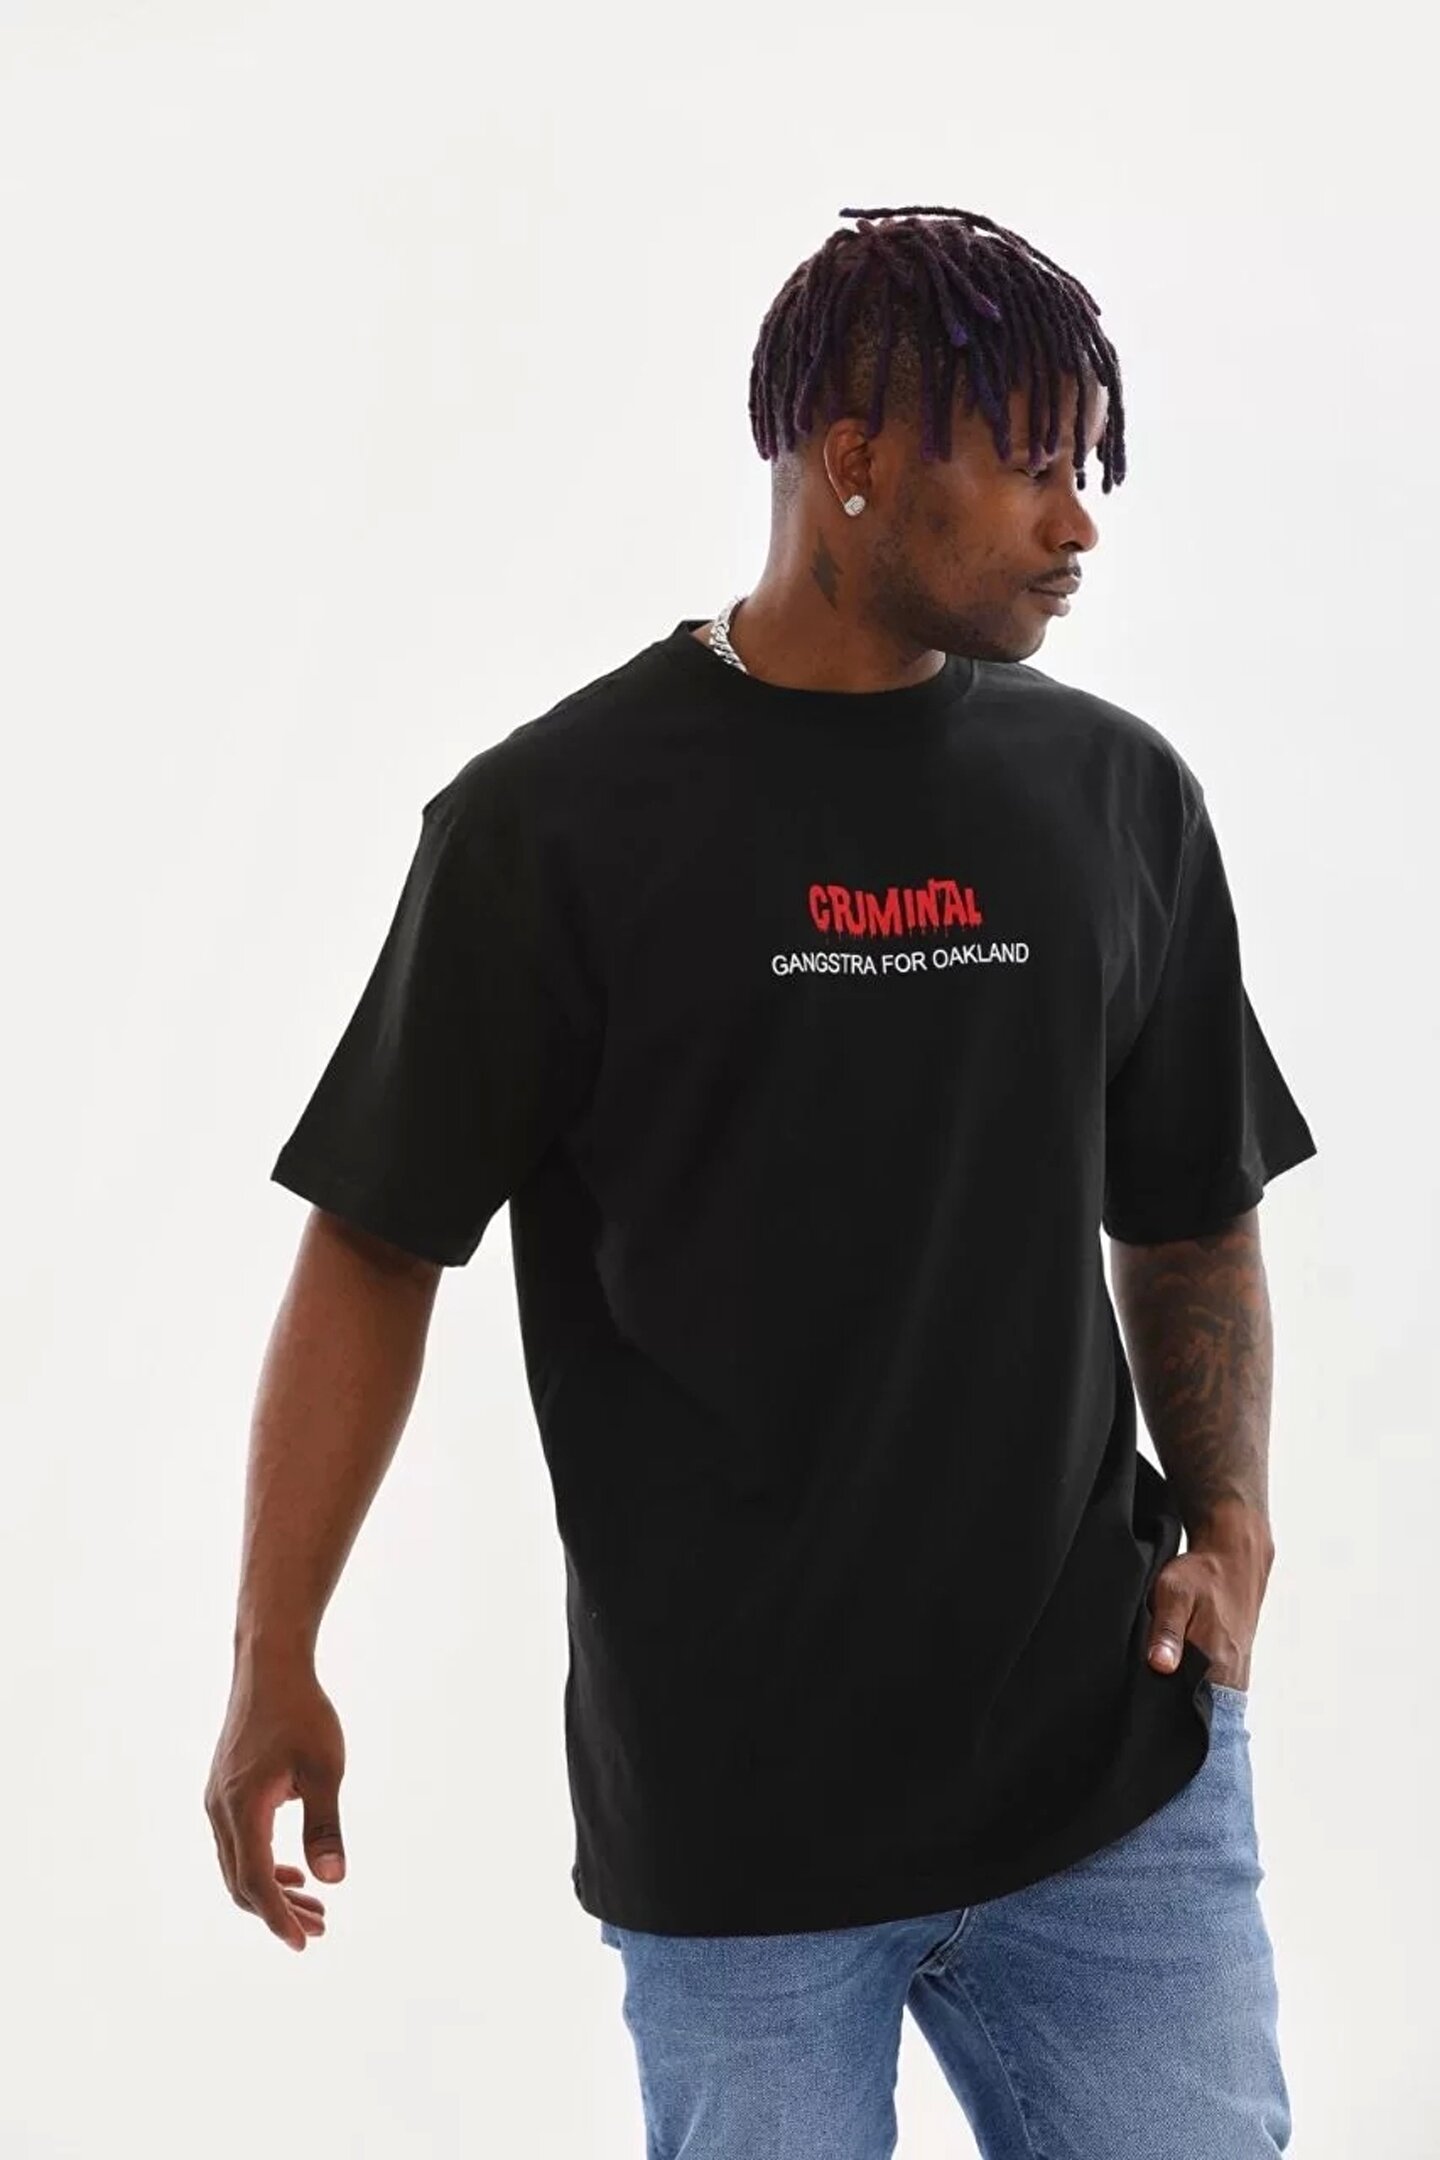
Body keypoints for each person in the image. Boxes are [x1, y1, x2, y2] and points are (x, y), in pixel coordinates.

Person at [205, 203, 1317, 2156]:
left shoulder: (1114, 797)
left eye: (1088, 466)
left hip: (1109, 1791)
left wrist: (1231, 1525)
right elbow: (376, 1245)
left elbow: (1190, 1200)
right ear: (856, 459)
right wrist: (272, 1649)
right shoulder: (552, 826)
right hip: (745, 1839)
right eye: (1032, 464)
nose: (1079, 522)